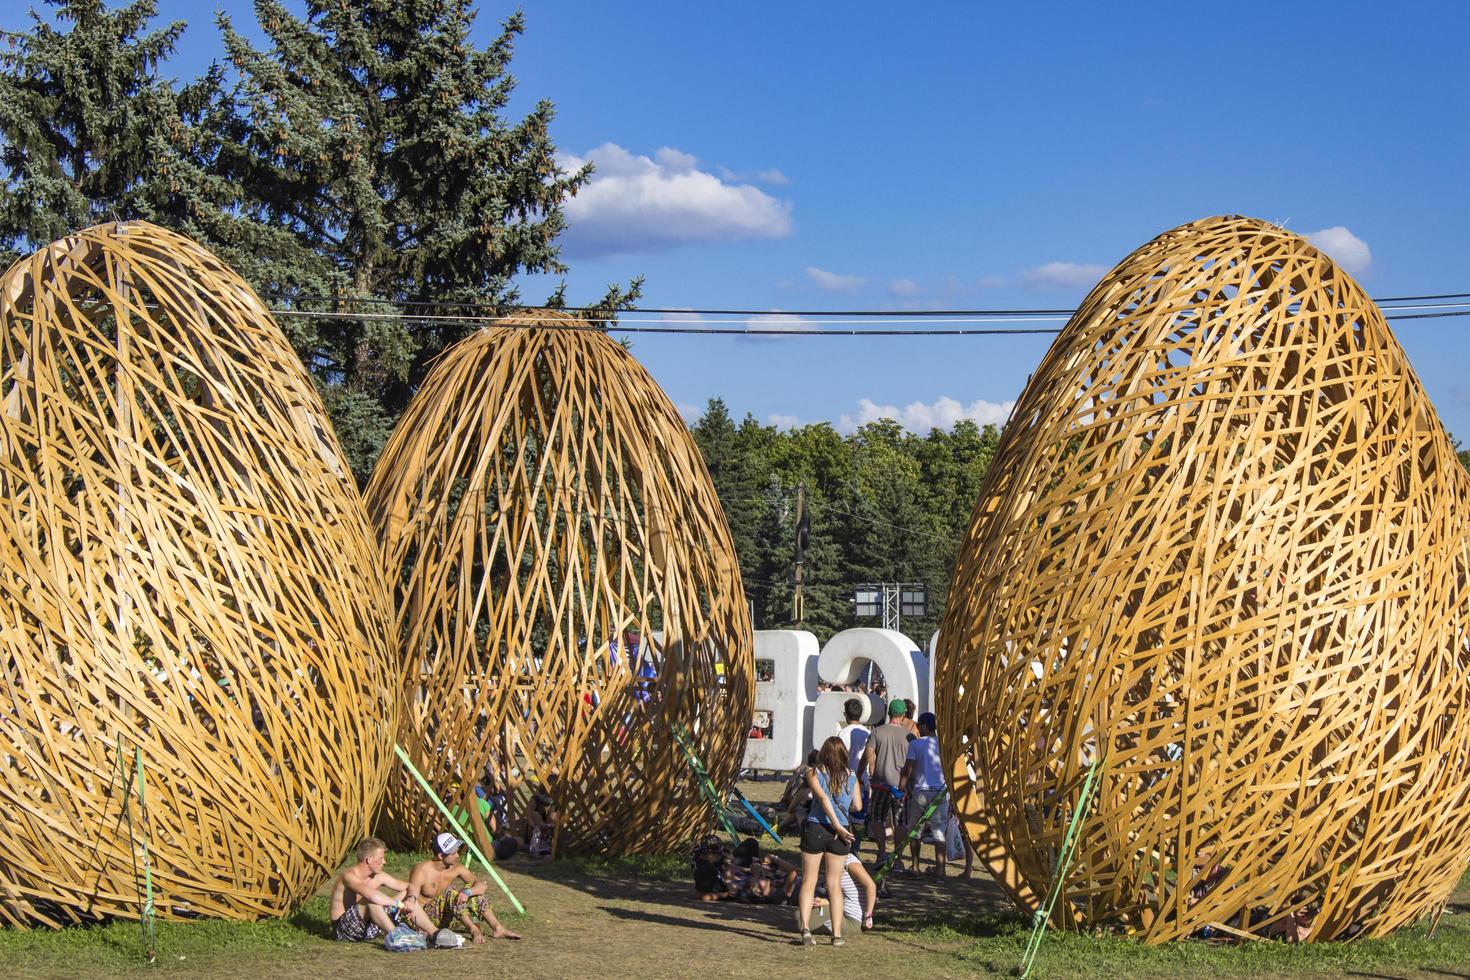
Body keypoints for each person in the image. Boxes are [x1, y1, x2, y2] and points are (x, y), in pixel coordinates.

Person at [796, 736, 863, 947]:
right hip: (840, 835)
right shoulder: (852, 776)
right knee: (834, 884)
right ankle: (836, 935)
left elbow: (823, 799)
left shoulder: (814, 773)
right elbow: (858, 806)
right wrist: (842, 818)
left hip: (817, 827)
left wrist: (835, 824)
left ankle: (806, 929)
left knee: (809, 881)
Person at [408, 832, 522, 943]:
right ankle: (473, 929)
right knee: (451, 893)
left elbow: (482, 885)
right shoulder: (421, 870)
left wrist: (468, 892)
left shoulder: (457, 868)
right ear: (441, 855)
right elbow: (410, 898)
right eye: (453, 853)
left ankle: (498, 928)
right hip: (423, 920)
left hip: (447, 919)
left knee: (471, 891)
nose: (458, 856)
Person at [329, 837, 437, 942]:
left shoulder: (379, 876)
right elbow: (371, 896)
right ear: (369, 859)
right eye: (381, 858)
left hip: (366, 927)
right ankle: (398, 938)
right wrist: (400, 905)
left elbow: (411, 887)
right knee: (371, 900)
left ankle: (436, 934)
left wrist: (410, 900)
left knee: (406, 894)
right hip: (343, 931)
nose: (384, 862)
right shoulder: (349, 876)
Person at [862, 699, 915, 870]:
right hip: (901, 786)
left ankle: (882, 853)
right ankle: (897, 859)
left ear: (889, 713)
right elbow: (913, 763)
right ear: (903, 714)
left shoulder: (877, 732)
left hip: (880, 784)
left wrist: (869, 770)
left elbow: (868, 754)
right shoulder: (910, 736)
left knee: (877, 819)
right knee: (901, 822)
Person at [899, 712, 948, 876]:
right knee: (939, 833)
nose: (918, 729)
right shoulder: (943, 745)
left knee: (915, 831)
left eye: (919, 726)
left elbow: (908, 767)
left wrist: (902, 785)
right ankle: (940, 870)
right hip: (940, 792)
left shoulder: (916, 745)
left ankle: (915, 866)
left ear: (925, 727)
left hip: (921, 791)